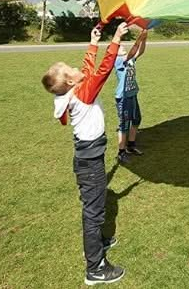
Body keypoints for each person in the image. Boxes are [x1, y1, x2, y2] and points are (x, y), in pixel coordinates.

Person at [41, 22, 128, 286]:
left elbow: (89, 70)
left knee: (96, 204)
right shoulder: (83, 94)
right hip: (89, 162)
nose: (78, 69)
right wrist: (115, 40)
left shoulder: (75, 90)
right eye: (72, 69)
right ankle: (95, 268)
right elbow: (101, 72)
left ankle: (97, 243)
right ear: (70, 81)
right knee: (94, 212)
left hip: (88, 158)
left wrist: (93, 42)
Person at [114, 28, 148, 164]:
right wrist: (139, 38)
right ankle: (121, 153)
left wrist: (144, 39)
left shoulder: (130, 60)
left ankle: (131, 145)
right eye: (119, 46)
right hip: (123, 97)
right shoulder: (118, 61)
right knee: (124, 125)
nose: (122, 47)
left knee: (136, 120)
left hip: (132, 95)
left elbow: (140, 51)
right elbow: (134, 50)